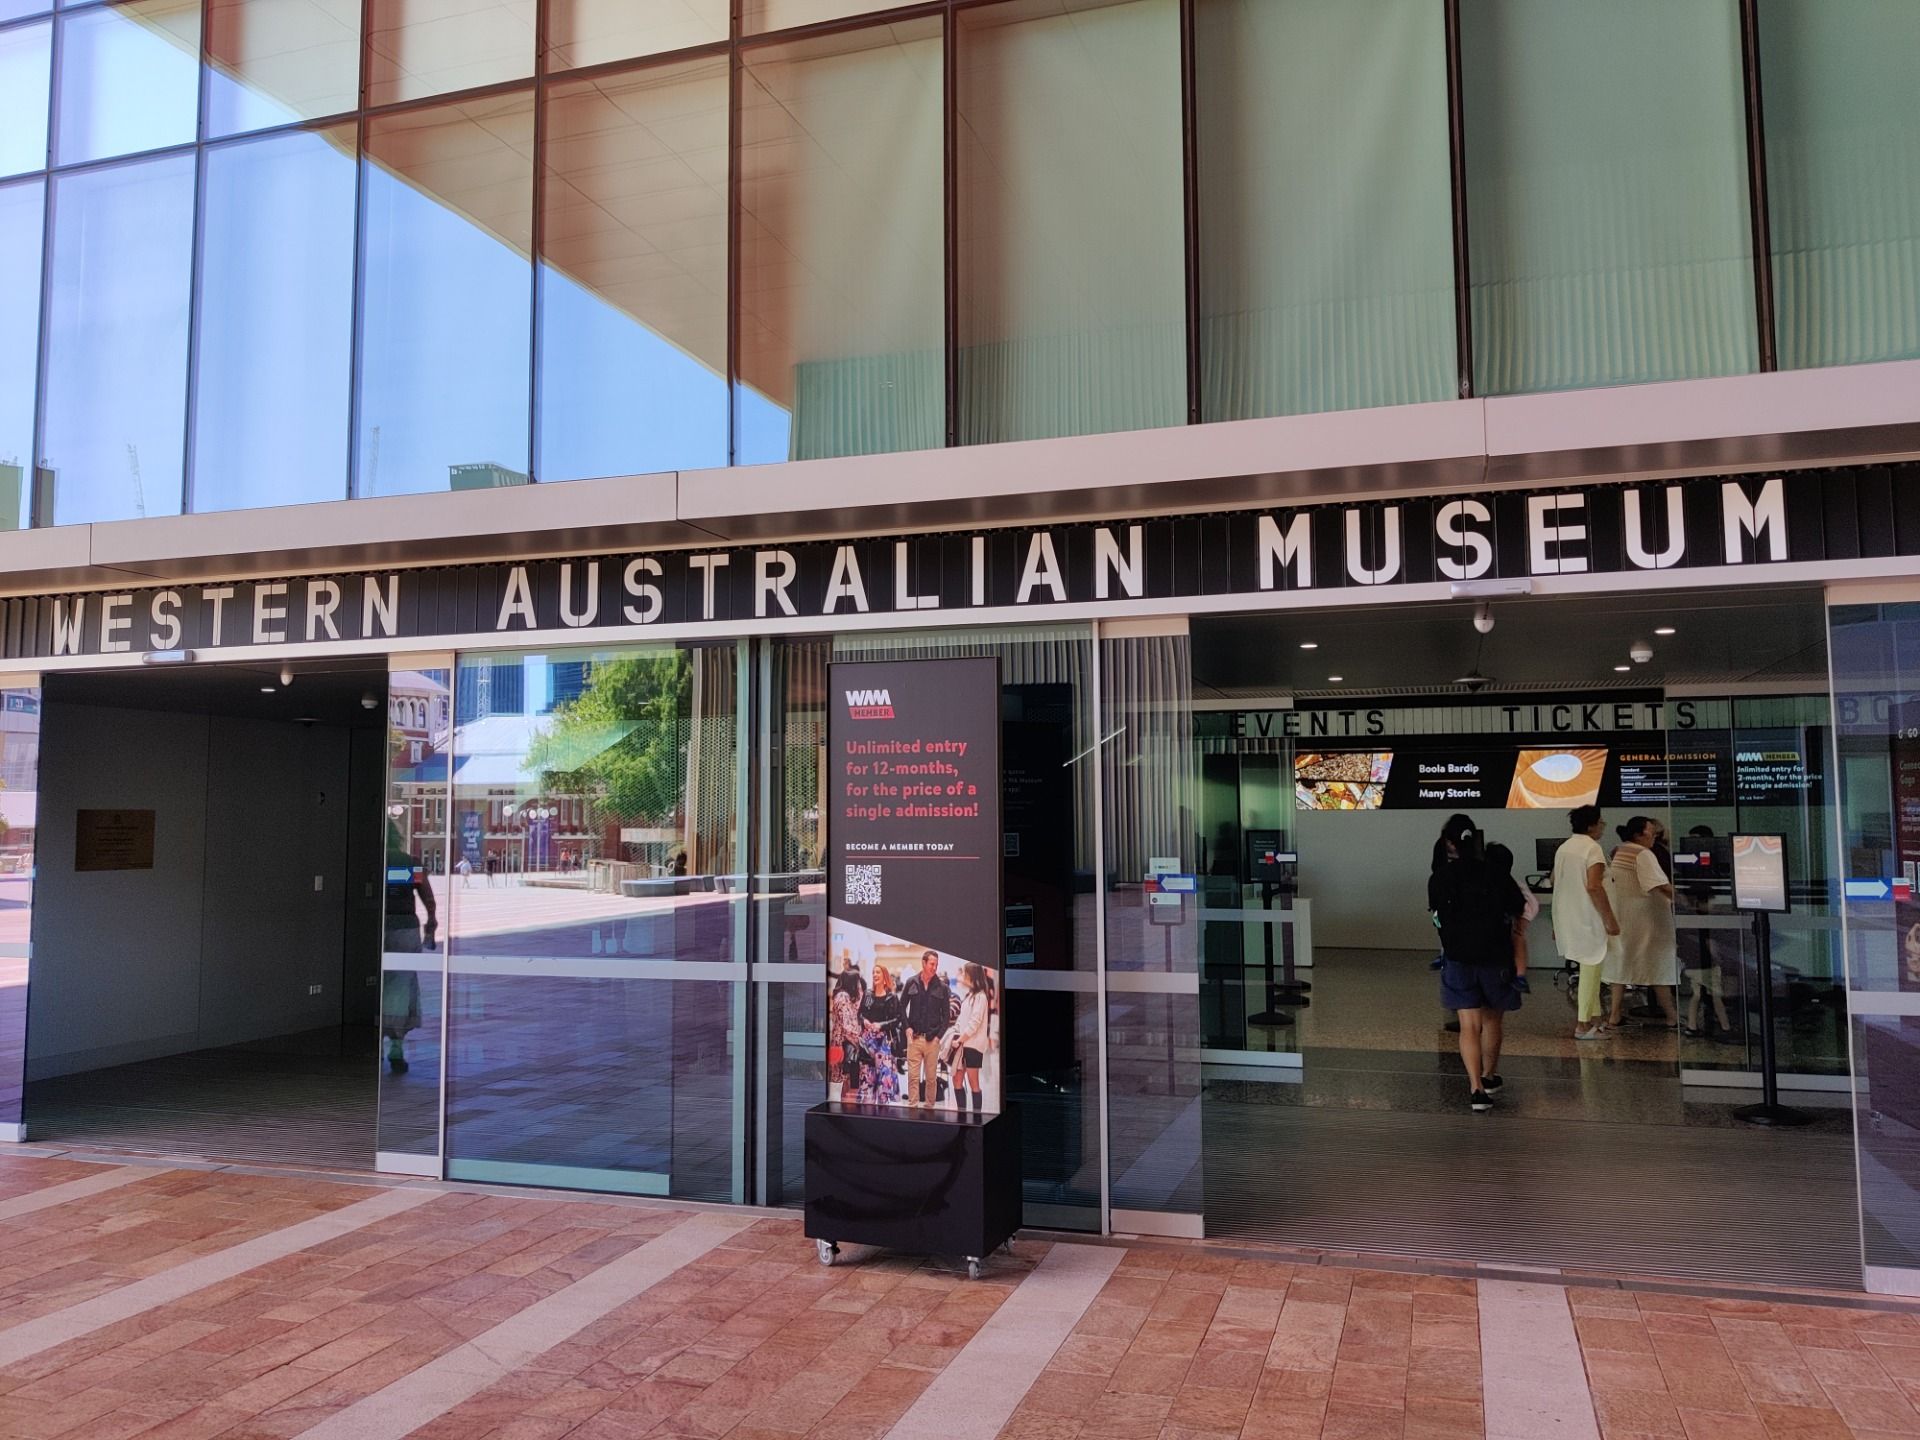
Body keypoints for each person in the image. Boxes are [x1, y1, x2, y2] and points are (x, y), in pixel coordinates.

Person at [1428, 825, 1525, 1111]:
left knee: (1469, 1025)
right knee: (1492, 1021)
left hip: (1458, 958)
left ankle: (1476, 1089)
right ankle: (1490, 1075)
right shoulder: (1496, 876)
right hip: (1495, 958)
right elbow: (1516, 909)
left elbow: (1436, 918)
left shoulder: (1442, 878)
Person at [1551, 804, 1619, 1040]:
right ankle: (1582, 1024)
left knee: (1591, 968)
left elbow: (1556, 883)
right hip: (1589, 917)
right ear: (1591, 825)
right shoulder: (1592, 849)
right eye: (1601, 822)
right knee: (1591, 970)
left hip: (1569, 916)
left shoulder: (1564, 848)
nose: (1603, 827)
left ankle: (1596, 1020)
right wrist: (1610, 919)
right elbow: (1594, 886)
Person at [1605, 817, 1680, 1030]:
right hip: (1648, 921)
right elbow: (1660, 885)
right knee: (1658, 966)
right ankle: (1671, 1017)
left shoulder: (1621, 850)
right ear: (1639, 835)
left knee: (1622, 966)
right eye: (1651, 832)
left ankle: (1614, 1015)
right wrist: (1684, 898)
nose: (1654, 835)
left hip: (1624, 918)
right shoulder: (1643, 854)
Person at [382, 822, 438, 1075]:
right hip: (405, 929)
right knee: (402, 986)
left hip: (374, 928)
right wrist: (430, 923)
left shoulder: (368, 860)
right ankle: (396, 1046)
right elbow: (427, 896)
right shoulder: (409, 863)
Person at [1677, 825, 1737, 1040]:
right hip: (1702, 960)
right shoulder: (1696, 919)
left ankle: (1695, 1026)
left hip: (1697, 959)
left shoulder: (1704, 884)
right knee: (1711, 995)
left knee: (1700, 994)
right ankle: (1725, 1027)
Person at [1432, 814, 1479, 1032]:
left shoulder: (1441, 878)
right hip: (1479, 941)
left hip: (1454, 941)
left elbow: (1437, 912)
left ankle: (1463, 1017)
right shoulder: (1485, 871)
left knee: (1458, 978)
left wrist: (1441, 929)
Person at [900, 950, 953, 1106]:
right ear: (923, 963)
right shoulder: (911, 982)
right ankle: (913, 1108)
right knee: (913, 1077)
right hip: (914, 1039)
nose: (934, 967)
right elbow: (901, 1007)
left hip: (932, 1041)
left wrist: (938, 1037)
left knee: (931, 1079)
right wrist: (907, 1028)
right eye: (932, 964)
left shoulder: (942, 987)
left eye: (936, 964)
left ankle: (930, 1108)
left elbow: (946, 1017)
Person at [1484, 842, 1536, 982]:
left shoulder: (1486, 886)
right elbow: (1530, 905)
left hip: (1493, 942)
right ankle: (1520, 975)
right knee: (1518, 939)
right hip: (1514, 925)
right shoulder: (1514, 885)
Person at [950, 963, 994, 1113]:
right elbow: (962, 1020)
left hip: (973, 1045)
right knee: (957, 1079)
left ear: (971, 976)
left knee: (972, 1081)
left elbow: (974, 1023)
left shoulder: (980, 997)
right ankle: (962, 1116)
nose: (962, 976)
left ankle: (976, 1117)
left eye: (964, 973)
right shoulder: (969, 996)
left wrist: (960, 1039)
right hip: (962, 1044)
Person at [860, 963, 905, 1101]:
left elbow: (898, 1019)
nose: (875, 975)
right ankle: (867, 1107)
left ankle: (883, 1107)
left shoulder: (892, 997)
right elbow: (860, 1013)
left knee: (884, 1075)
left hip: (884, 1041)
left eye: (878, 972)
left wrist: (881, 1025)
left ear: (884, 976)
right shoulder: (868, 994)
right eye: (873, 972)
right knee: (867, 1075)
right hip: (868, 1041)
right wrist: (864, 1021)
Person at [828, 965, 867, 1101]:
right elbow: (847, 1024)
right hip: (843, 1043)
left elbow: (854, 1010)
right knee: (839, 1081)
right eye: (857, 982)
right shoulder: (843, 996)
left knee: (841, 1080)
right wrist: (860, 1040)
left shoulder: (843, 996)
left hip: (841, 1042)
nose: (859, 985)